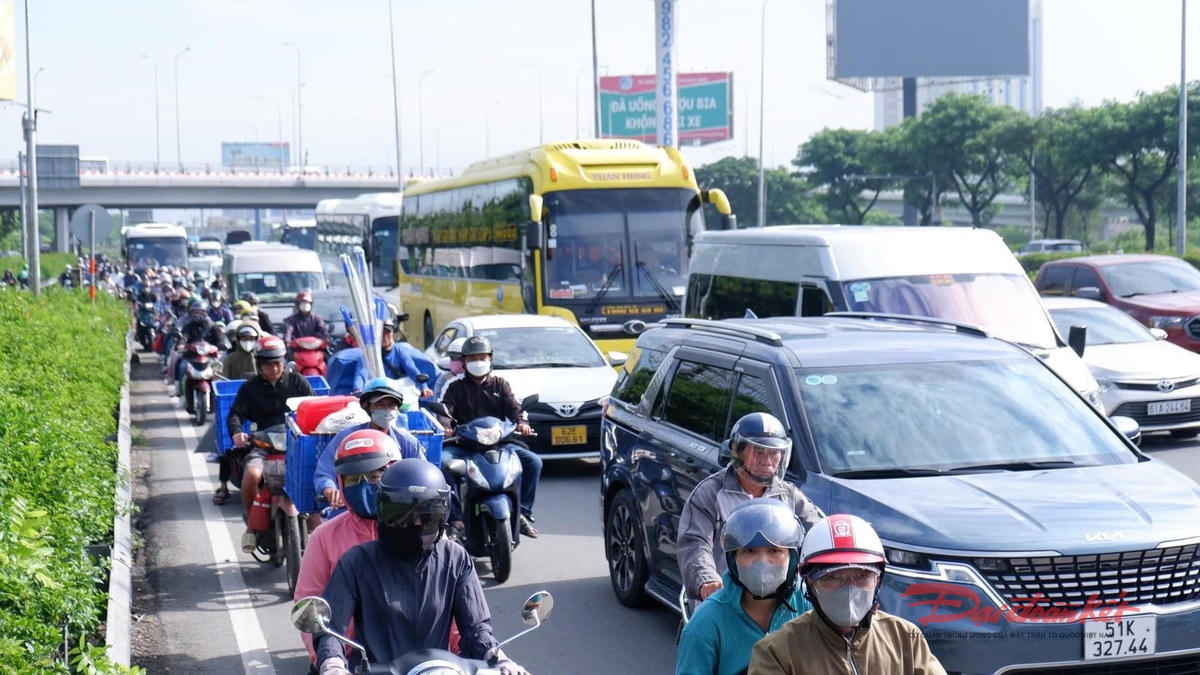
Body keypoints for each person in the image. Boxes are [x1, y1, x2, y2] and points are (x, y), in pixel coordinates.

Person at [315, 459, 528, 675]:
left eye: (427, 515)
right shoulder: (356, 562)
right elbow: (331, 629)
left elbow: (476, 628)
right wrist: (332, 665)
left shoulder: (455, 559)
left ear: (443, 515)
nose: (416, 524)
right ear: (382, 510)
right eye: (401, 513)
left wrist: (499, 658)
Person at [748, 514, 947, 675]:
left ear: (878, 580)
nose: (849, 589)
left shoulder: (905, 637)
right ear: (809, 583)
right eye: (833, 577)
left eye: (862, 575)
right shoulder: (776, 653)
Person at [677, 412, 824, 609]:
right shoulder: (709, 493)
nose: (767, 460)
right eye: (758, 451)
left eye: (774, 452)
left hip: (779, 603)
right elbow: (695, 542)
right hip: (723, 601)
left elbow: (819, 531)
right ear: (736, 450)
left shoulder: (790, 496)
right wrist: (707, 580)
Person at [676, 499, 811, 675]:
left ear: (792, 557)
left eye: (774, 550)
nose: (762, 562)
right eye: (749, 551)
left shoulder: (811, 606)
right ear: (733, 559)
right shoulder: (704, 626)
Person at [438, 335, 542, 538]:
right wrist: (446, 425)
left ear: (490, 359)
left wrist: (523, 422)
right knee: (443, 464)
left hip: (500, 443)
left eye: (482, 357)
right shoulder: (454, 386)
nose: (478, 362)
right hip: (464, 445)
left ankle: (523, 512)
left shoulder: (501, 385)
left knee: (533, 462)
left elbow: (516, 409)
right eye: (472, 358)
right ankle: (456, 519)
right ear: (464, 361)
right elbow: (444, 411)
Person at [226, 335, 315, 552]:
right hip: (262, 447)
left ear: (284, 361)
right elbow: (235, 414)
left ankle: (317, 525)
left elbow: (314, 406)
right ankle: (252, 525)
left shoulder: (298, 382)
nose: (274, 368)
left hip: (296, 446)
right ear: (259, 364)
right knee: (251, 476)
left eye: (278, 363)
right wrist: (237, 432)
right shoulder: (250, 388)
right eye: (268, 364)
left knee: (317, 477)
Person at [314, 378, 424, 513]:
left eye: (391, 405)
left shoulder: (408, 442)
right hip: (352, 507)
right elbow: (325, 471)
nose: (387, 410)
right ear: (368, 407)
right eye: (380, 405)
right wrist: (330, 489)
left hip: (396, 509)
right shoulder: (348, 438)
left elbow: (422, 476)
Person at [381, 316, 434, 399]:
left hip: (397, 394)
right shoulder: (370, 354)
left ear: (393, 334)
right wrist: (359, 390)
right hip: (377, 393)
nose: (384, 336)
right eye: (382, 333)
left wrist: (424, 387)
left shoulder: (399, 352)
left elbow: (411, 369)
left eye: (388, 332)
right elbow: (361, 373)